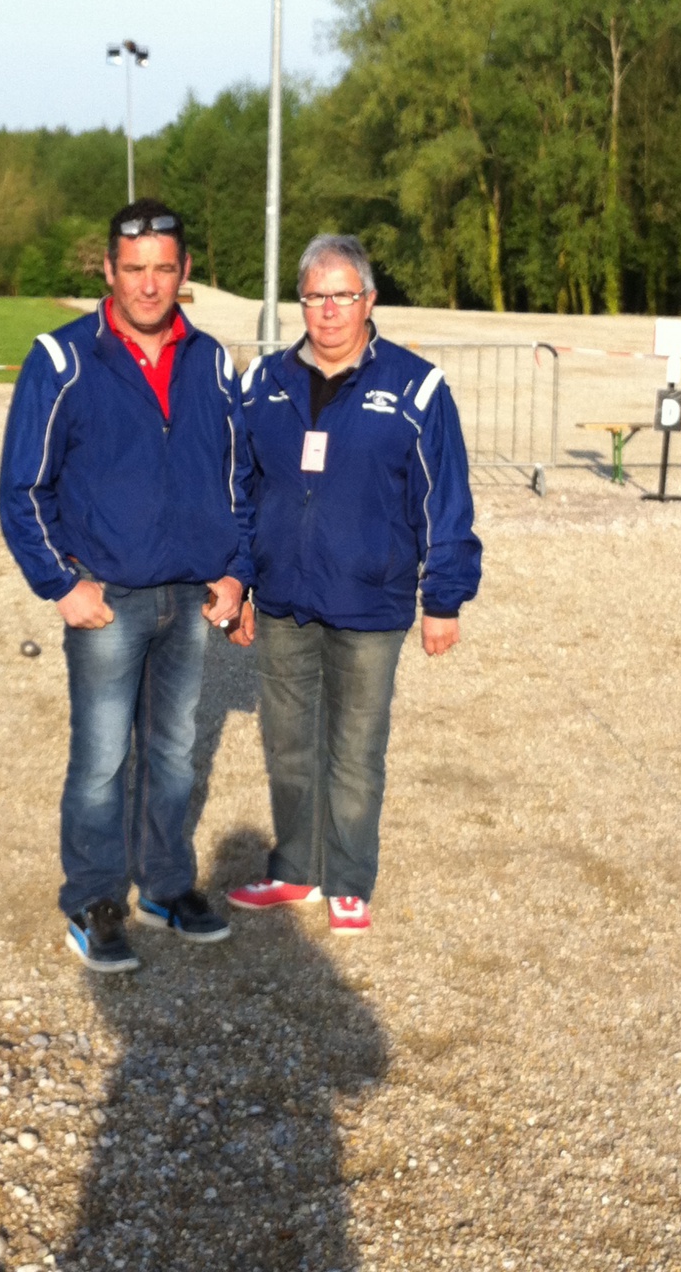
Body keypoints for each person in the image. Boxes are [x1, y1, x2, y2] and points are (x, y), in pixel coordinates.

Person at [0, 199, 253, 973]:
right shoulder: (62, 358)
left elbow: (242, 478)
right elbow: (22, 488)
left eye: (164, 269)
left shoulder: (212, 361)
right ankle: (95, 898)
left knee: (174, 753)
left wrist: (238, 570)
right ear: (109, 271)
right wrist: (60, 585)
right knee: (104, 757)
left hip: (190, 599)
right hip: (105, 598)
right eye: (134, 269)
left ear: (184, 273)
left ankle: (166, 886)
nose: (149, 285)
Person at [226, 234, 481, 935]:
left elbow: (445, 500)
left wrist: (444, 598)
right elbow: (241, 492)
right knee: (288, 743)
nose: (329, 310)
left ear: (368, 300)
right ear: (300, 303)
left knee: (356, 747)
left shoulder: (416, 386)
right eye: (315, 296)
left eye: (343, 295)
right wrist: (239, 582)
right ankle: (296, 872)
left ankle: (347, 879)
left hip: (371, 600)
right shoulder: (265, 384)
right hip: (283, 602)